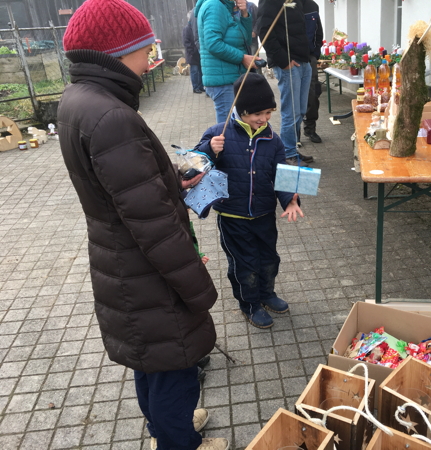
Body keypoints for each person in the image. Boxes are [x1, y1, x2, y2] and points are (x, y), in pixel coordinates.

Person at [57, 1, 228, 449]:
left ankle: (166, 431)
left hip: (121, 263)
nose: (151, 58)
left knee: (151, 363)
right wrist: (198, 288)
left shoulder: (80, 100)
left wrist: (170, 177)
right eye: (146, 48)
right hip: (147, 271)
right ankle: (179, 441)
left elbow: (120, 186)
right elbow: (154, 226)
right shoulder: (112, 117)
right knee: (176, 366)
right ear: (117, 53)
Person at [195, 73, 304, 329]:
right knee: (245, 265)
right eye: (258, 114)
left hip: (264, 214)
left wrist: (290, 200)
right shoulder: (217, 134)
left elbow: (282, 173)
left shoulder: (273, 139)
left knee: (268, 260)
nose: (264, 119)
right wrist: (209, 149)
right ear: (242, 110)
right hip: (233, 217)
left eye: (269, 112)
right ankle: (250, 304)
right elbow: (194, 165)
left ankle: (267, 294)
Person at [258, 0, 314, 166]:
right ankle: (288, 153)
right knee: (291, 111)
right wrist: (283, 60)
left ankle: (291, 148)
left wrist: (310, 54)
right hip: (288, 64)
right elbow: (264, 30)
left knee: (301, 110)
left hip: (303, 61)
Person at [195, 0, 259, 123]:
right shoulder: (214, 6)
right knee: (228, 130)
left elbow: (246, 39)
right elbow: (213, 44)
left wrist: (244, 14)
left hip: (230, 77)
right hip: (223, 81)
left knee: (235, 128)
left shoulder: (226, 8)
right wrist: (242, 58)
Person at [302, 0, 323, 144]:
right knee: (293, 99)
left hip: (309, 57)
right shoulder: (283, 4)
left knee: (313, 94)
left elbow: (318, 32)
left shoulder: (312, 6)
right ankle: (293, 136)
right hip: (290, 59)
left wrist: (315, 54)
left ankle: (310, 129)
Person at [183, 9, 204, 93]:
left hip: (198, 53)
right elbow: (186, 42)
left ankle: (201, 86)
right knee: (194, 71)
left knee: (200, 71)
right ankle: (195, 87)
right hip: (192, 55)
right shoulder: (187, 29)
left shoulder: (197, 27)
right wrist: (192, 51)